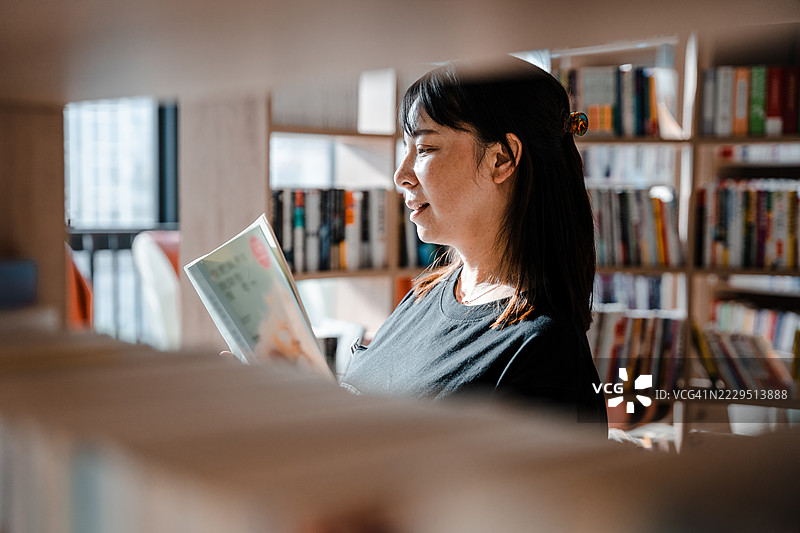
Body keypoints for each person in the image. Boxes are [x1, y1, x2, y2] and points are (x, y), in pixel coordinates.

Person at [337, 57, 607, 428]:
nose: (401, 175)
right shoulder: (425, 295)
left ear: (501, 158)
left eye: (426, 148)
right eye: (405, 148)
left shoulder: (545, 354)